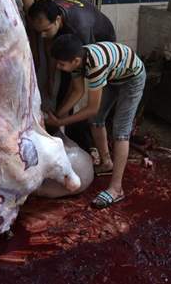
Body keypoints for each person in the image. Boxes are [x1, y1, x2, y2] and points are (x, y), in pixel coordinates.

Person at [44, 35, 146, 209]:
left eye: (61, 64)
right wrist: (57, 116)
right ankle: (106, 163)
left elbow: (92, 108)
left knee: (120, 132)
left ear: (75, 61)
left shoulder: (95, 66)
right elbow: (77, 92)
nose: (59, 67)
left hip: (132, 78)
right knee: (96, 120)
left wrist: (61, 121)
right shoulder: (78, 61)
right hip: (114, 76)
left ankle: (116, 189)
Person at [28, 0, 116, 104]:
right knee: (65, 69)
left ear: (58, 19)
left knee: (72, 78)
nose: (42, 36)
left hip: (102, 37)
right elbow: (50, 48)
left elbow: (77, 74)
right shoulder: (49, 10)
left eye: (46, 30)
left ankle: (65, 112)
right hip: (77, 24)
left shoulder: (79, 28)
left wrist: (62, 110)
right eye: (39, 32)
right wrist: (50, 78)